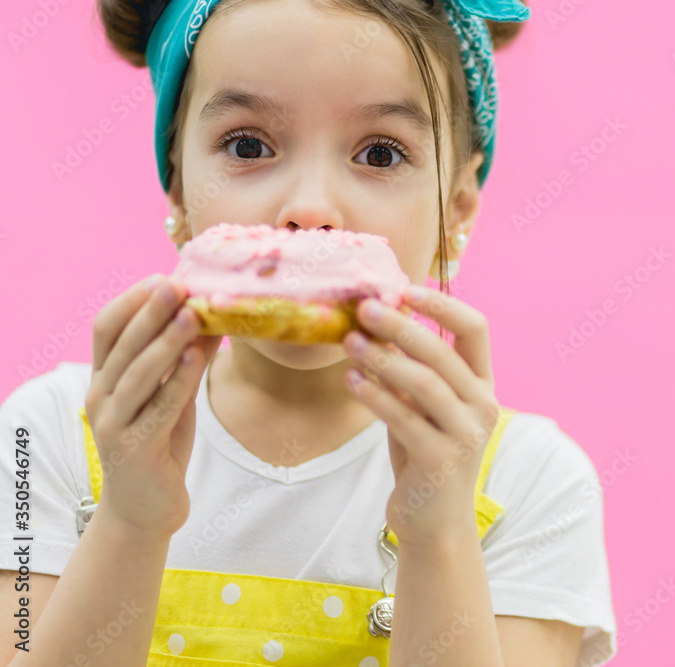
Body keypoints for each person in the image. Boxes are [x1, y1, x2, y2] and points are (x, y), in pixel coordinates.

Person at [0, 0, 617, 664]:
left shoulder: (531, 482)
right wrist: (129, 518)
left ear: (456, 206)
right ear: (177, 188)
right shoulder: (52, 435)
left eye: (379, 153)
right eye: (247, 145)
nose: (310, 208)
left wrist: (437, 536)